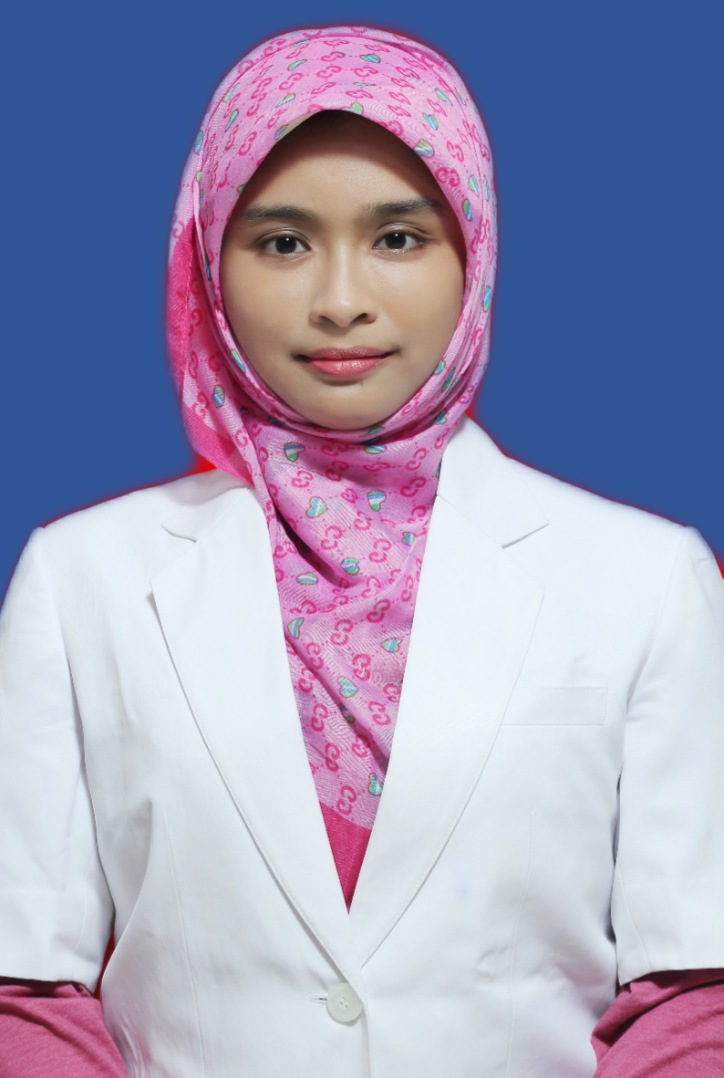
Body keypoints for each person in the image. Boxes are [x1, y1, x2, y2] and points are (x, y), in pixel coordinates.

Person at [0, 24, 723, 1077]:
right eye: (282, 243)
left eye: (398, 236)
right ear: (207, 261)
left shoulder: (648, 581)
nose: (341, 299)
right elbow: (27, 990)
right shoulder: (80, 581)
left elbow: (693, 993)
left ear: (473, 252)